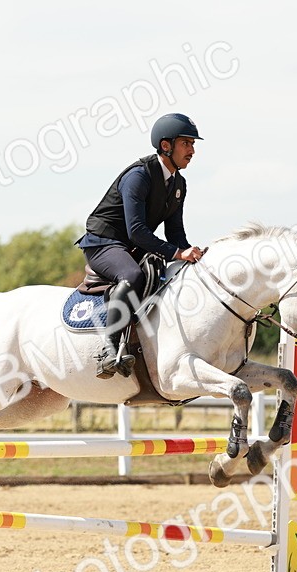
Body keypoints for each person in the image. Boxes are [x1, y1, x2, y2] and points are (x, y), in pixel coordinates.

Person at [76, 112, 207, 378]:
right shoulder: (139, 176)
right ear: (166, 145)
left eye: (193, 144)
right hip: (103, 242)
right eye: (186, 143)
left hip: (131, 246)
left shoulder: (178, 184)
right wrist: (178, 253)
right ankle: (109, 350)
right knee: (132, 275)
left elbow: (175, 232)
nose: (192, 151)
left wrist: (192, 255)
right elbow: (137, 232)